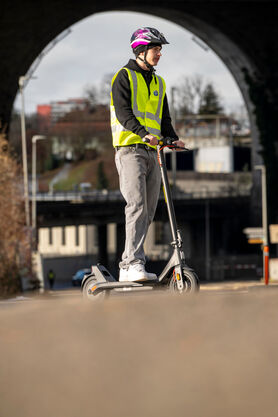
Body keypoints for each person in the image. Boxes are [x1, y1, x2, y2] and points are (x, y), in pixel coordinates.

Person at [110, 27, 185, 282]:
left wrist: (173, 139)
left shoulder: (159, 82)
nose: (159, 54)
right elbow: (123, 114)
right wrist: (143, 133)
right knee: (137, 205)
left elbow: (164, 119)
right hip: (130, 150)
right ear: (141, 50)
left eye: (160, 50)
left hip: (153, 152)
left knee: (149, 208)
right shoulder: (123, 77)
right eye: (156, 49)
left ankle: (135, 263)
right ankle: (130, 264)